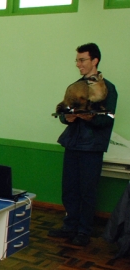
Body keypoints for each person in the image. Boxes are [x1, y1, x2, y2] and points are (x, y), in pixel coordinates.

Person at [48, 43, 118, 247]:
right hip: (73, 144)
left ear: (94, 60)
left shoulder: (108, 89)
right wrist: (66, 118)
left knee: (87, 191)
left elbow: (108, 119)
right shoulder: (75, 87)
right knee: (69, 189)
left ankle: (84, 231)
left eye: (82, 60)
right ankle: (69, 226)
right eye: (77, 60)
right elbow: (64, 110)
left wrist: (88, 117)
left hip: (92, 147)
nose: (78, 64)